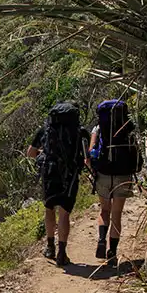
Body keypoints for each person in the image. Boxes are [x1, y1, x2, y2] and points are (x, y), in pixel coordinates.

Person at [27, 102, 89, 267]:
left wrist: (46, 153)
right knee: (64, 214)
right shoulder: (80, 132)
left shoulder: (45, 131)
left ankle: (50, 247)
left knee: (49, 210)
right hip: (70, 175)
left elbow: (30, 153)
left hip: (50, 174)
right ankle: (62, 252)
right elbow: (86, 156)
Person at [88, 99, 142, 266]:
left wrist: (94, 170)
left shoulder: (98, 128)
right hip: (123, 174)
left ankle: (102, 239)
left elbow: (90, 152)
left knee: (105, 210)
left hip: (104, 173)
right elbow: (136, 152)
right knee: (117, 214)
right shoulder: (128, 127)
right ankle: (112, 253)